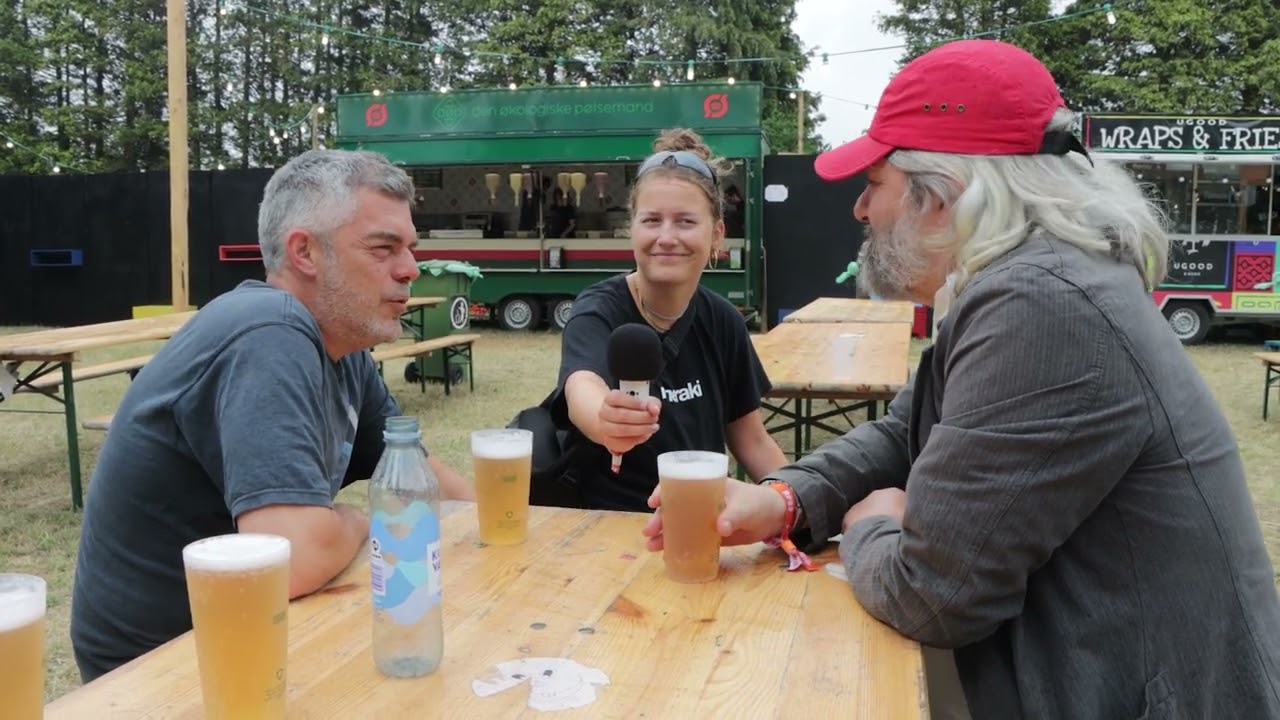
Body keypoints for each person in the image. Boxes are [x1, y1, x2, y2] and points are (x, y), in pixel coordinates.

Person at [643, 40, 1280, 719]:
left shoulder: (1043, 301)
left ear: (941, 197)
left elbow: (935, 595)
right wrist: (786, 501)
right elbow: (903, 434)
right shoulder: (1032, 278)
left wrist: (872, 527)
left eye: (874, 184)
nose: (860, 210)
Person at [70, 149, 474, 682]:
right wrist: (358, 519)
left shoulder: (343, 348)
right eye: (384, 249)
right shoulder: (268, 331)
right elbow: (294, 557)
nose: (410, 269)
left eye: (410, 249)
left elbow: (419, 478)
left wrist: (489, 516)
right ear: (305, 252)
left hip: (252, 634)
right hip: (163, 671)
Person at [548, 129, 787, 511]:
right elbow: (581, 390)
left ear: (717, 236)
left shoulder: (724, 321)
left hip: (699, 522)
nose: (666, 237)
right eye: (652, 220)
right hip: (610, 529)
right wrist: (607, 420)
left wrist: (795, 501)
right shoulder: (598, 308)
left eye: (686, 222)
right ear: (632, 230)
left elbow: (752, 442)